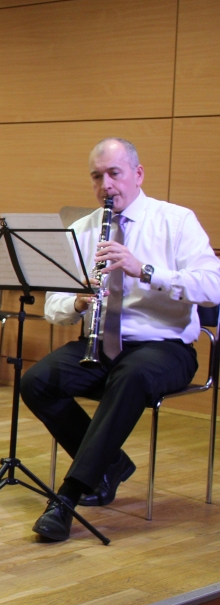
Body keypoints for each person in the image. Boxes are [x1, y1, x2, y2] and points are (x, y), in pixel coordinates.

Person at [21, 138, 220, 541]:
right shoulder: (82, 230)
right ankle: (109, 464)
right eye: (97, 177)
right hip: (101, 344)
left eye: (114, 173)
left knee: (130, 376)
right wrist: (78, 301)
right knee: (37, 381)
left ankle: (68, 497)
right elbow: (53, 305)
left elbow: (212, 287)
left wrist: (144, 270)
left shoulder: (176, 221)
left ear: (138, 174)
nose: (106, 185)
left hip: (165, 348)